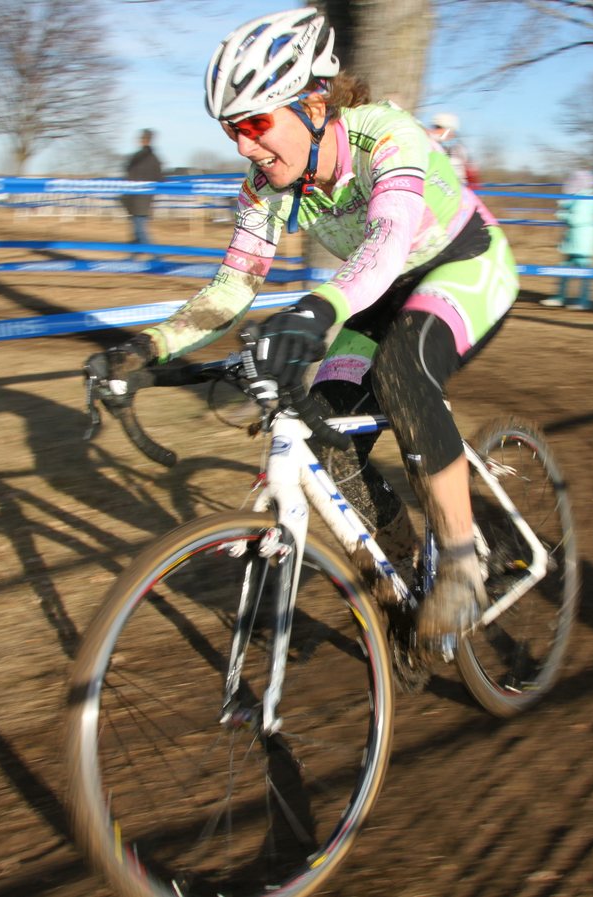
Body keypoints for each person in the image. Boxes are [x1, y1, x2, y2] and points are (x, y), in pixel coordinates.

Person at [89, 7, 520, 643]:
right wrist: (143, 348)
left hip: (460, 265)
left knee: (404, 369)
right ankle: (405, 578)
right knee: (323, 433)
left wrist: (316, 309)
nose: (245, 145)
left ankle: (459, 561)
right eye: (233, 128)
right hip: (373, 291)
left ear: (315, 104)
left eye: (257, 122)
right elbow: (233, 287)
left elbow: (389, 240)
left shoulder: (388, 137)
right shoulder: (264, 186)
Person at [541, 170, 593, 310]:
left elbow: (578, 219)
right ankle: (560, 297)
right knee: (565, 268)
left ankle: (583, 300)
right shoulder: (584, 198)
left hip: (581, 241)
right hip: (577, 240)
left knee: (583, 271)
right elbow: (573, 206)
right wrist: (565, 205)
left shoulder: (585, 200)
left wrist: (562, 215)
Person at [120, 128, 163, 258]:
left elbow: (129, 174)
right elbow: (160, 178)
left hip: (137, 198)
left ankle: (157, 256)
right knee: (136, 228)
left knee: (139, 229)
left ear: (144, 140)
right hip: (144, 198)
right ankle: (133, 255)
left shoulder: (139, 157)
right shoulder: (154, 158)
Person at [427, 112, 479, 188]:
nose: (435, 131)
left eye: (438, 128)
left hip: (455, 191)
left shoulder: (460, 150)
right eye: (435, 127)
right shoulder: (430, 145)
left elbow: (471, 174)